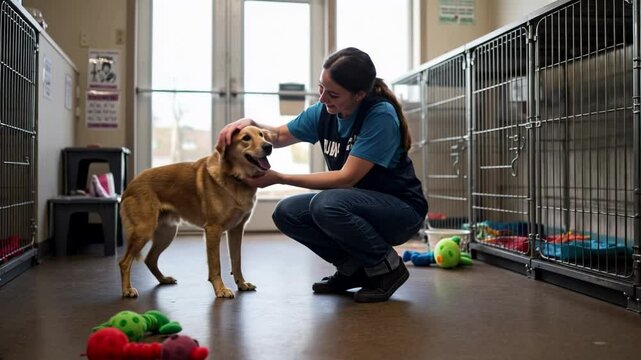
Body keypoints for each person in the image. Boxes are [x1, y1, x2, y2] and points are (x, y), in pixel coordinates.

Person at [217, 47, 427, 303]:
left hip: (400, 212)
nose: (323, 98)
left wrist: (280, 177)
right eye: (321, 88)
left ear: (359, 94)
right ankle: (354, 270)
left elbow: (345, 178)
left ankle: (388, 269)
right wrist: (251, 123)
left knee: (327, 204)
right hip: (356, 206)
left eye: (333, 93)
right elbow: (280, 135)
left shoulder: (379, 115)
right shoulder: (324, 111)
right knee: (287, 213)